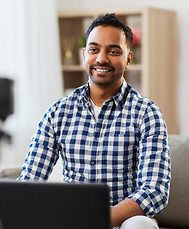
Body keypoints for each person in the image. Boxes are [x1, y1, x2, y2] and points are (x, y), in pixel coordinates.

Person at [18, 13, 171, 229]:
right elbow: (30, 181)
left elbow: (154, 191)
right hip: (71, 219)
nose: (101, 58)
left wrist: (97, 219)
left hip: (124, 221)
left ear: (129, 58)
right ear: (84, 55)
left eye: (114, 51)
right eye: (94, 49)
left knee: (141, 226)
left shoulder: (146, 113)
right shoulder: (58, 112)